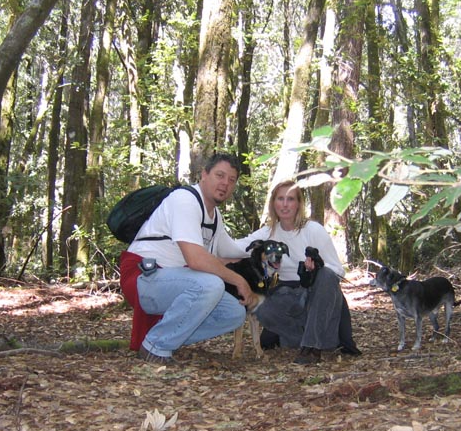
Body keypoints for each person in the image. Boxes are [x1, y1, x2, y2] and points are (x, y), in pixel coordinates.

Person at [119, 153, 257, 365]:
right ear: (204, 174)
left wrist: (269, 240)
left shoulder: (215, 217)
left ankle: (162, 336)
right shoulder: (184, 199)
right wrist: (239, 280)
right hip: (143, 278)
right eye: (220, 175)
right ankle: (156, 345)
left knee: (234, 313)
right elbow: (196, 260)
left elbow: (233, 250)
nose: (225, 184)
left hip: (174, 283)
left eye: (231, 180)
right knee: (211, 284)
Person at [237, 180, 361, 364]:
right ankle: (309, 339)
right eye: (280, 199)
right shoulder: (268, 233)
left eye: (290, 199)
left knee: (327, 275)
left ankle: (312, 346)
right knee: (258, 304)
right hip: (289, 296)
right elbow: (236, 248)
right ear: (273, 203)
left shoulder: (313, 230)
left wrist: (316, 270)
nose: (285, 204)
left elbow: (338, 271)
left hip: (318, 294)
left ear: (299, 204)